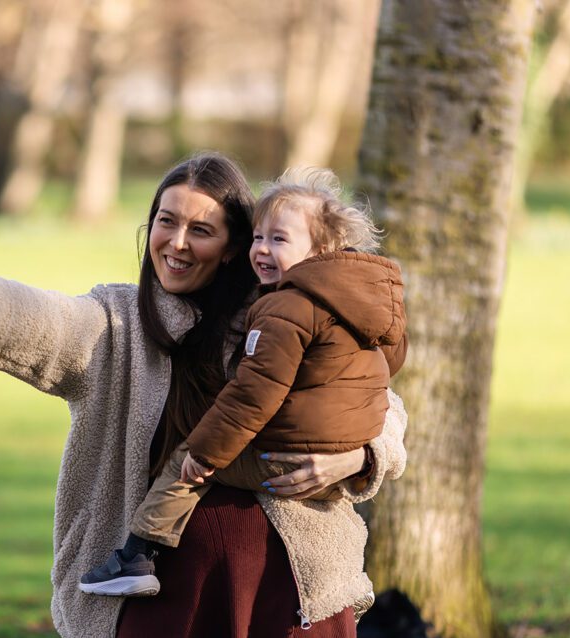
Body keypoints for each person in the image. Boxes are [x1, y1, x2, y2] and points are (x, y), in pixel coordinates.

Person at [0, 153, 407, 638]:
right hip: (167, 586)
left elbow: (381, 404)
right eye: (167, 221)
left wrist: (358, 457)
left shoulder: (292, 310)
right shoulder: (120, 321)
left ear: (235, 243)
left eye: (201, 229)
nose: (178, 242)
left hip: (291, 584)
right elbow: (47, 324)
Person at [79, 167, 408, 600]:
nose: (263, 251)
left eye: (280, 239)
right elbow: (389, 365)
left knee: (186, 460)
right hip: (335, 461)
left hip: (289, 456)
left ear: (322, 248)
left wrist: (206, 452)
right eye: (258, 237)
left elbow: (255, 392)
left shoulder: (285, 307)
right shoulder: (361, 304)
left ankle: (138, 555)